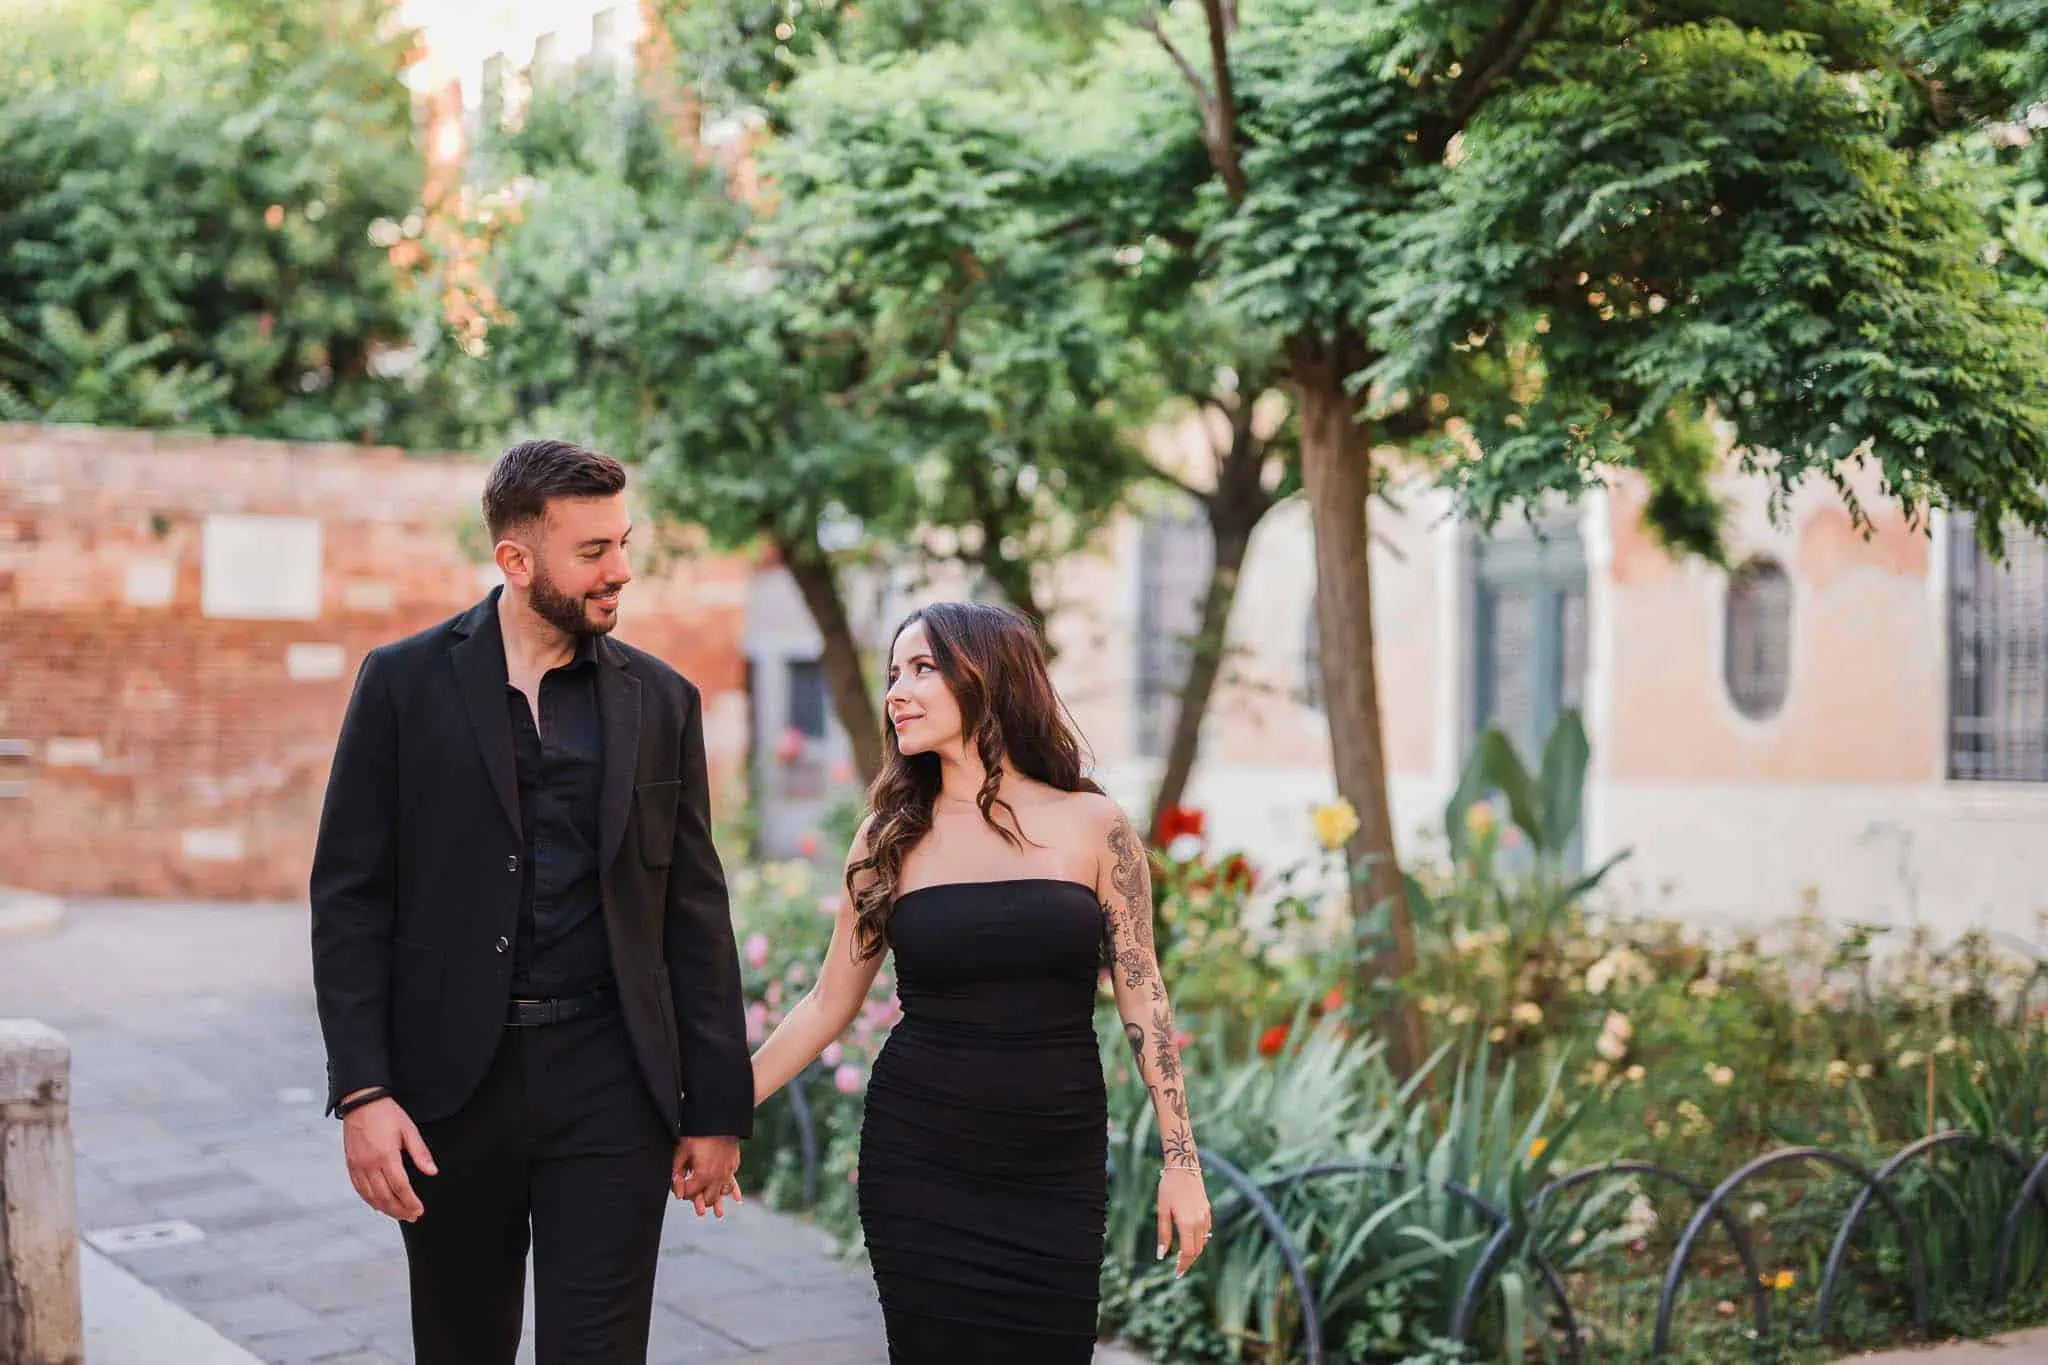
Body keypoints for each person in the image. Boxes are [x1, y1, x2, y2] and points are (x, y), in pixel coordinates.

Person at [309, 438, 752, 1365]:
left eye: (622, 544)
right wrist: (362, 1090)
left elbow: (694, 914)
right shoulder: (402, 684)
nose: (619, 571)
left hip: (611, 1083)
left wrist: (717, 1107)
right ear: (516, 560)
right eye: (592, 552)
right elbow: (350, 897)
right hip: (448, 1093)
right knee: (461, 1346)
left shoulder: (663, 700)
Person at [750, 600, 1213, 1363]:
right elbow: (830, 1000)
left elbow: (1144, 994)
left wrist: (1182, 1160)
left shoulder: (1094, 826)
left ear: (988, 676)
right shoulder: (888, 838)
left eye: (923, 668)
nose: (897, 689)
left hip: (1053, 1166)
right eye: (894, 672)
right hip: (921, 1159)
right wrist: (721, 1109)